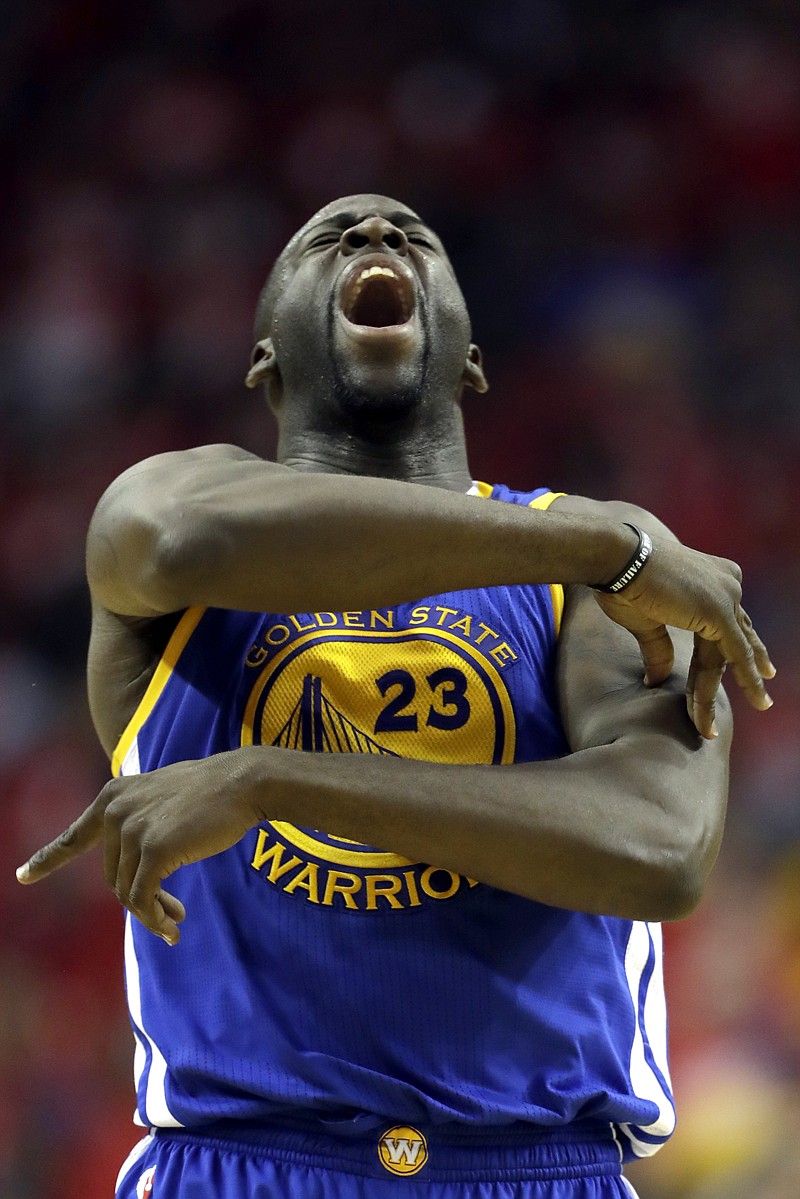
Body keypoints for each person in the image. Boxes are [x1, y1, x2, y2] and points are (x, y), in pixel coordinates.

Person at [17, 194, 774, 1198]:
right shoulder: (169, 500)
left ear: (468, 358)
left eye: (413, 236)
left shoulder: (608, 579)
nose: (375, 234)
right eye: (326, 239)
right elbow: (177, 538)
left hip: (538, 1165)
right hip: (242, 1165)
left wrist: (274, 779)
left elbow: (658, 849)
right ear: (262, 360)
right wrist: (604, 546)